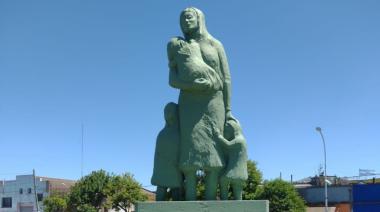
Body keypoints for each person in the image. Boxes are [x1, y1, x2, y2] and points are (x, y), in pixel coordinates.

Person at [167, 7, 236, 200]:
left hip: (214, 103)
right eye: (182, 20)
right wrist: (190, 85)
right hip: (189, 102)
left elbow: (227, 79)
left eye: (188, 17)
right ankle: (188, 199)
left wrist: (228, 109)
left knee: (213, 154)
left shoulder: (215, 44)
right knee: (189, 152)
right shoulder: (179, 46)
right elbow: (172, 79)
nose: (185, 22)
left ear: (199, 19)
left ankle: (209, 200)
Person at [151, 102, 183, 201]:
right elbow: (156, 154)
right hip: (161, 169)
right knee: (161, 189)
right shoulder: (161, 134)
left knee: (176, 191)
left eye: (170, 111)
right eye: (165, 112)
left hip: (175, 167)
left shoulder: (181, 132)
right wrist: (155, 171)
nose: (167, 114)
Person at [214, 120, 248, 200]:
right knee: (238, 191)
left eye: (227, 130)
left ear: (233, 129)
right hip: (242, 173)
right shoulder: (243, 140)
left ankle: (224, 203)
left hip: (235, 172)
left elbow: (228, 145)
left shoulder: (239, 140)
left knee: (223, 181)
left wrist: (219, 136)